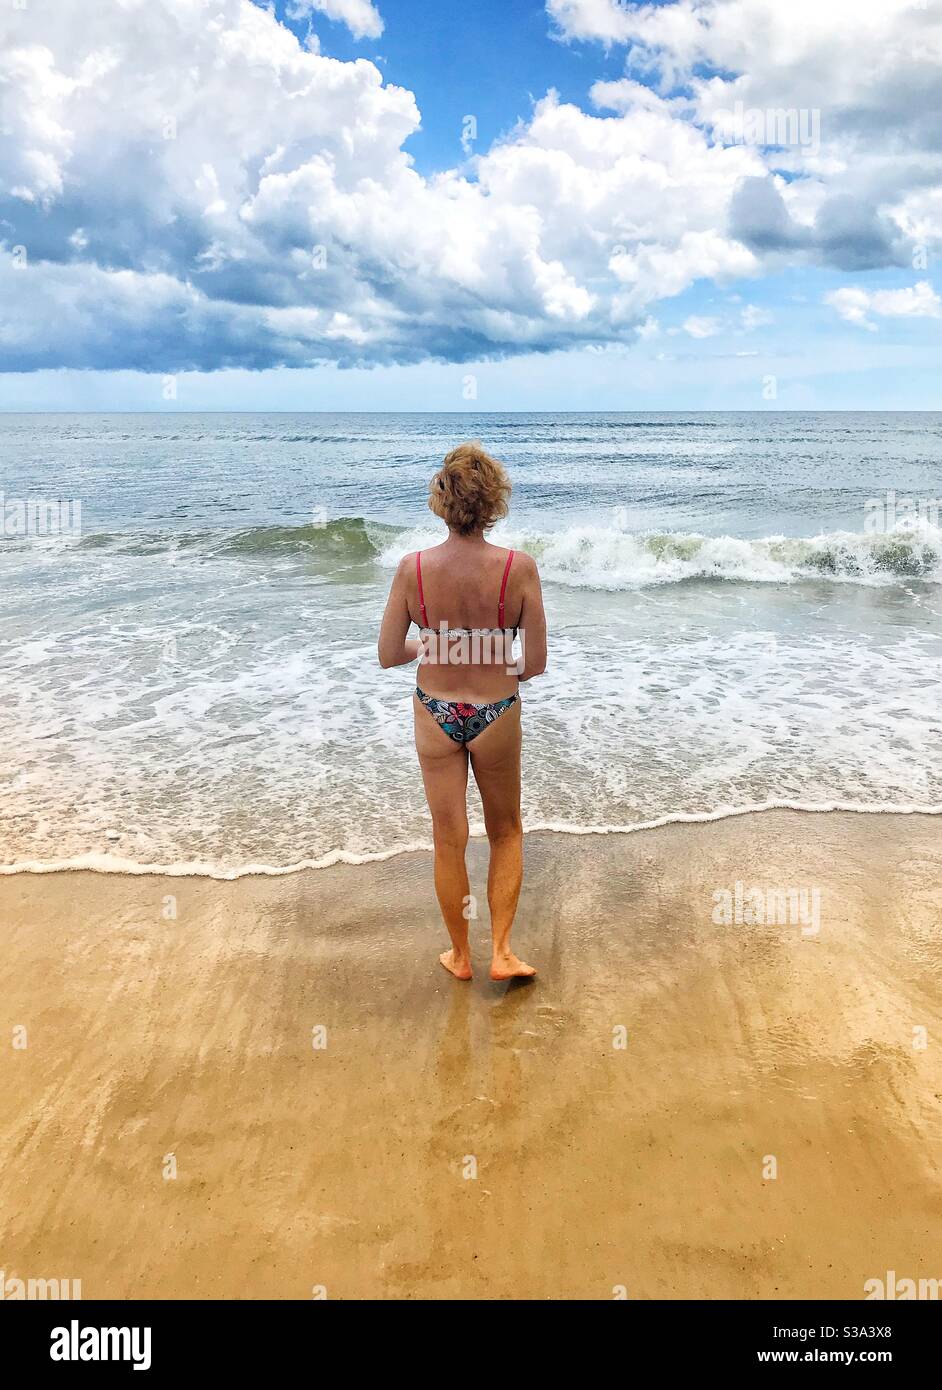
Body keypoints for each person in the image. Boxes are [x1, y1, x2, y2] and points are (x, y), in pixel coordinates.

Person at [378, 442, 547, 981]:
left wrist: (434, 647)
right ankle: (501, 952)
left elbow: (388, 654)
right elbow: (535, 664)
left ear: (443, 501)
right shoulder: (518, 569)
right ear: (494, 501)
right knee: (506, 832)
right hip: (496, 710)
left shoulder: (413, 569)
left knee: (448, 838)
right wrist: (494, 659)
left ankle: (460, 956)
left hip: (435, 711)